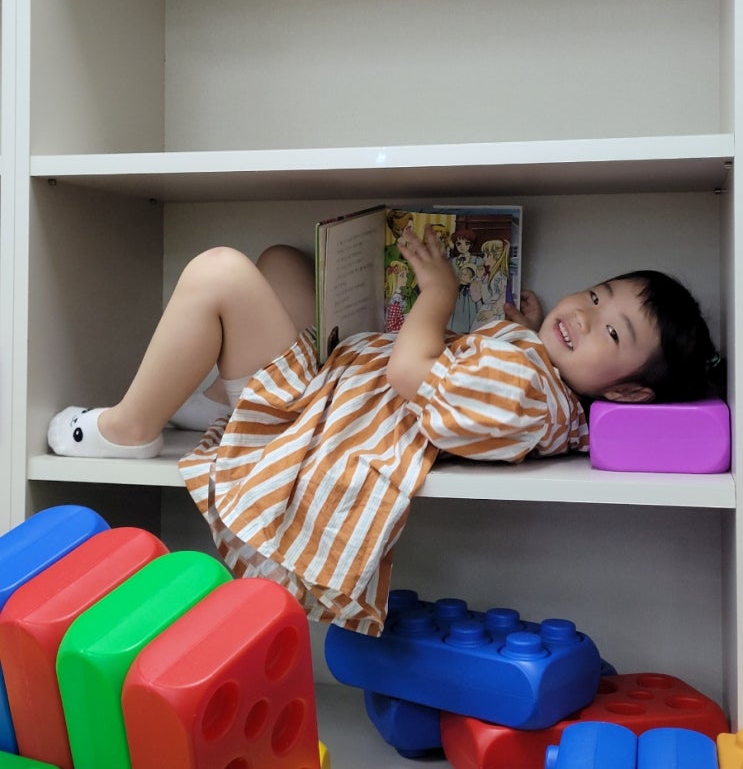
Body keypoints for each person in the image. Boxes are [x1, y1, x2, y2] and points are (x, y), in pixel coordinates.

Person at [47, 228, 719, 634]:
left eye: (610, 332)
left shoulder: (522, 390)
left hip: (311, 412)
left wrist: (438, 294)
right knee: (281, 259)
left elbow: (409, 373)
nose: (586, 314)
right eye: (596, 294)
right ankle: (222, 403)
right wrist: (524, 328)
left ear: (627, 392)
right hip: (332, 387)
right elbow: (498, 379)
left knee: (219, 270)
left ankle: (129, 425)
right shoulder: (539, 379)